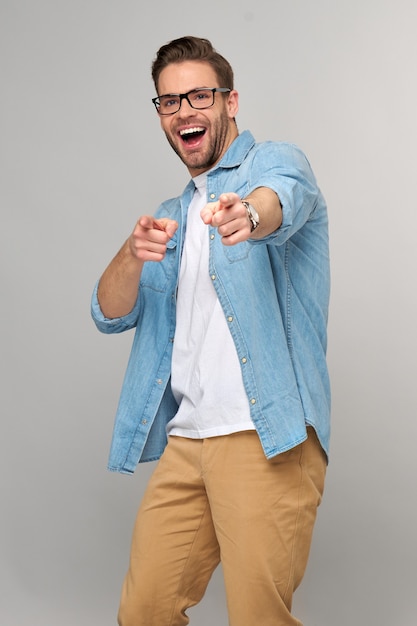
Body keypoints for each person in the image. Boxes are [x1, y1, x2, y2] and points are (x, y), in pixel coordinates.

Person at [91, 35, 330, 626]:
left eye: (198, 95)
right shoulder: (170, 216)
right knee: (144, 611)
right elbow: (107, 313)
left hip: (265, 436)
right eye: (168, 102)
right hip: (188, 441)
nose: (183, 111)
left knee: (258, 618)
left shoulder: (275, 163)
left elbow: (282, 201)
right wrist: (131, 251)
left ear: (230, 101)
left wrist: (248, 214)